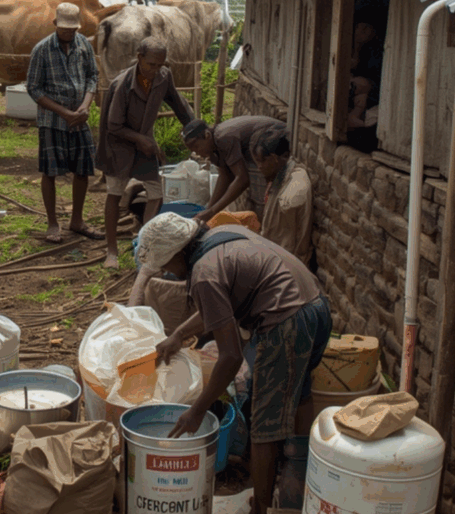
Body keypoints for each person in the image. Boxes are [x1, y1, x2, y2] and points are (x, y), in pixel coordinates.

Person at [135, 214, 331, 514]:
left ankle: (261, 508)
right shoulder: (221, 234)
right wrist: (178, 334)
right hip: (316, 305)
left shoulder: (203, 273)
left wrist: (197, 410)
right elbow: (218, 307)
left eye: (167, 266)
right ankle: (299, 485)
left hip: (286, 321)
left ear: (177, 253)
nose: (170, 274)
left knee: (263, 420)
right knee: (300, 392)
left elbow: (231, 355)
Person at [96, 36, 195, 268]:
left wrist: (193, 129)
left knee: (156, 192)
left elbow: (178, 104)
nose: (155, 70)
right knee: (115, 193)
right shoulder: (122, 85)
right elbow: (113, 125)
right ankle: (111, 251)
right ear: (139, 58)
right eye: (151, 64)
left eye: (161, 65)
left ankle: (144, 241)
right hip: (118, 144)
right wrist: (141, 139)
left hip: (144, 141)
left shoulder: (163, 77)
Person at [26, 2, 103, 244]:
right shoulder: (42, 50)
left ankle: (77, 220)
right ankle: (52, 223)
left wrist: (85, 106)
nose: (69, 33)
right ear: (56, 25)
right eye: (65, 29)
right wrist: (64, 113)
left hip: (80, 119)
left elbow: (93, 76)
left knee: (82, 169)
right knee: (50, 171)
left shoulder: (84, 46)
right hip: (53, 120)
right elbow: (34, 88)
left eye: (73, 29)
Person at [181, 115, 288, 223]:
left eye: (196, 146)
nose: (195, 152)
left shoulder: (224, 137)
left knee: (262, 194)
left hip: (277, 136)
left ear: (207, 135)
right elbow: (225, 177)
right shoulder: (213, 150)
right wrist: (207, 210)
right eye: (192, 150)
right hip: (261, 144)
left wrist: (212, 211)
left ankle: (269, 222)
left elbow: (242, 179)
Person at [250, 126, 314, 267]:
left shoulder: (295, 183)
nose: (259, 167)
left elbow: (292, 201)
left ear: (275, 159)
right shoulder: (278, 176)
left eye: (262, 161)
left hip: (287, 264)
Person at [347, 21, 383, 152]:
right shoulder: (363, 101)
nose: (360, 33)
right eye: (358, 29)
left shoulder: (377, 53)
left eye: (365, 29)